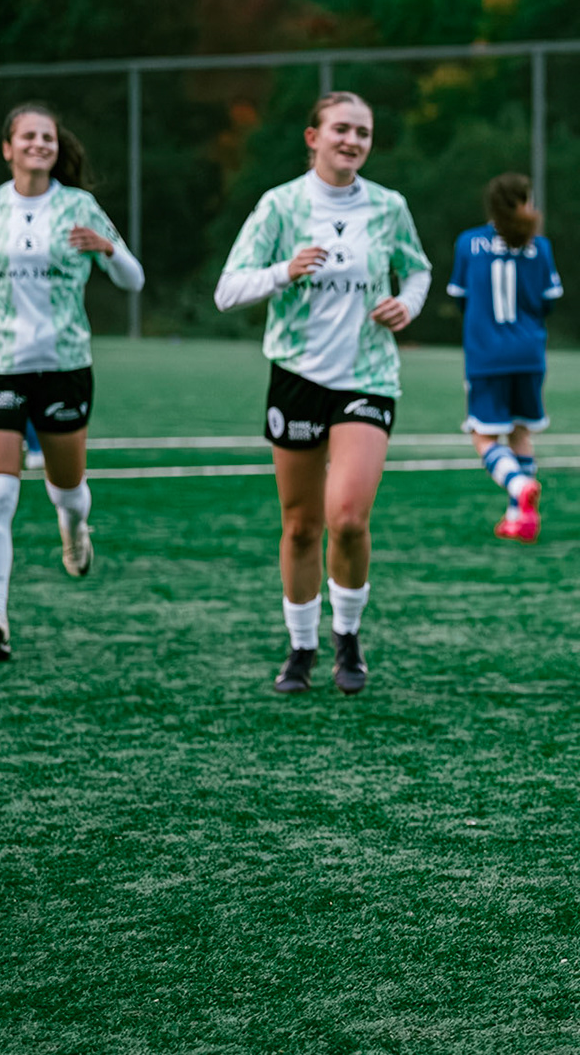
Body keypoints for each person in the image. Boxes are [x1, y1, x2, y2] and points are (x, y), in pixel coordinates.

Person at [215, 92, 432, 695]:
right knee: (303, 525)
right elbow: (227, 290)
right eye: (341, 129)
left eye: (362, 132)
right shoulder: (280, 206)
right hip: (296, 378)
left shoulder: (388, 207)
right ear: (313, 137)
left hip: (367, 379)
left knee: (348, 518)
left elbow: (418, 269)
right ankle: (301, 646)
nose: (352, 140)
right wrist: (283, 271)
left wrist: (406, 304)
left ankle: (349, 638)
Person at [0, 104, 145, 663]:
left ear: (56, 147)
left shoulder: (80, 207)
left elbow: (133, 278)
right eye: (28, 136)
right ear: (8, 147)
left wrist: (109, 249)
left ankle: (74, 528)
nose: (38, 145)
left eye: (46, 137)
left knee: (65, 489)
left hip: (65, 364)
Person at [447, 172, 562, 543]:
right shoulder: (540, 246)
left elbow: (461, 298)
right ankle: (522, 519)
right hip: (528, 354)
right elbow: (548, 302)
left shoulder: (468, 243)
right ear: (522, 203)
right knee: (520, 432)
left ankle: (518, 484)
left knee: (484, 437)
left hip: (486, 355)